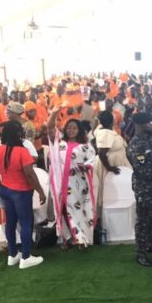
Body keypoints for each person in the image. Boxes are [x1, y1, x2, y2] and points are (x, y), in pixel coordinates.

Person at [0, 121, 47, 269]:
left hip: (5, 190)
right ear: (19, 134)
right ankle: (26, 257)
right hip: (21, 192)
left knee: (10, 222)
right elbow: (30, 174)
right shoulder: (22, 151)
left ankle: (12, 255)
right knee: (26, 223)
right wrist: (40, 191)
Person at [47, 104, 96, 250]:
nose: (71, 130)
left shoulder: (85, 146)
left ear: (79, 130)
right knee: (61, 210)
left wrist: (83, 167)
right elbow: (50, 128)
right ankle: (66, 238)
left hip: (77, 184)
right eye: (68, 128)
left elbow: (92, 161)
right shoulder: (59, 143)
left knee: (76, 210)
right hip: (59, 183)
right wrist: (54, 113)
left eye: (74, 128)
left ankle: (81, 239)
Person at [126, 112, 152, 267]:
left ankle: (151, 244)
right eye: (147, 123)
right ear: (139, 125)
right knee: (143, 220)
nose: (150, 125)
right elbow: (141, 168)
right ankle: (141, 252)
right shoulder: (136, 144)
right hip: (144, 187)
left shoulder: (150, 140)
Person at [93, 110, 132, 217]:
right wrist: (109, 168)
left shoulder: (105, 130)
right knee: (109, 191)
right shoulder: (105, 133)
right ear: (112, 121)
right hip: (109, 165)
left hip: (115, 162)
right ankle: (106, 217)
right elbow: (102, 153)